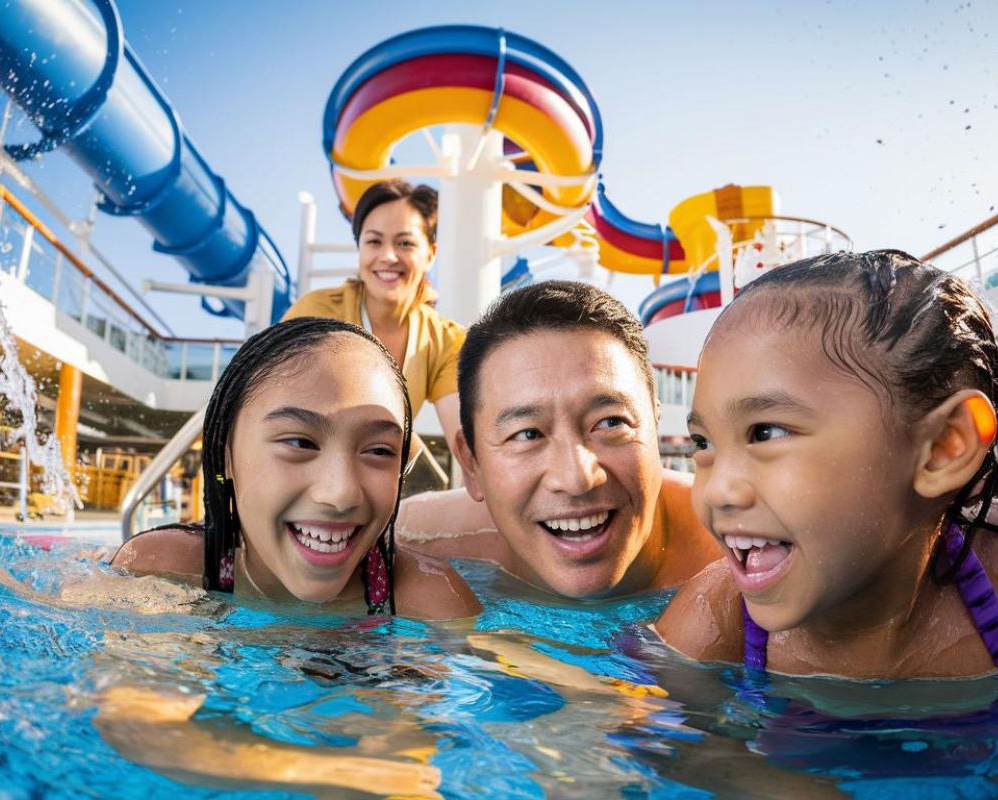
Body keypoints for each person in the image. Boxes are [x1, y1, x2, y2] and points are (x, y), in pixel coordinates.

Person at [653, 250, 998, 792]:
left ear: (944, 446)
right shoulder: (712, 620)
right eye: (703, 443)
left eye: (767, 432)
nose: (718, 489)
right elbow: (658, 743)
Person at [111, 316, 479, 619]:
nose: (341, 492)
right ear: (227, 456)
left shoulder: (430, 601)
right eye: (300, 443)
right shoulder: (161, 568)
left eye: (379, 450)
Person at [399, 280, 722, 600]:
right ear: (471, 465)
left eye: (610, 423)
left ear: (654, 424)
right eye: (528, 434)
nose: (577, 479)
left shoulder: (734, 549)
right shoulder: (415, 544)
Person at [283, 180, 463, 443]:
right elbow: (273, 412)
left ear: (430, 254)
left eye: (405, 243)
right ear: (360, 249)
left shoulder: (446, 341)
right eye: (374, 242)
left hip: (379, 473)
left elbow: (465, 441)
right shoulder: (315, 314)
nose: (388, 255)